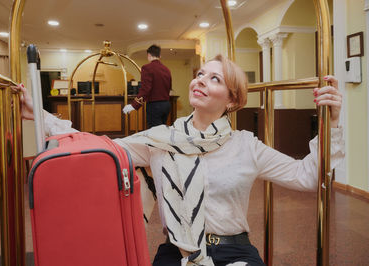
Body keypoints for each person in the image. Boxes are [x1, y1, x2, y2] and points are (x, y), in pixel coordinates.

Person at [19, 54, 344, 266]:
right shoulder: (159, 140)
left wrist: (333, 122)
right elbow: (98, 149)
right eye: (200, 73)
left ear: (232, 100)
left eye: (215, 78)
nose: (200, 79)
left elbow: (307, 176)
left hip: (235, 251)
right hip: (177, 252)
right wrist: (41, 116)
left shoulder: (246, 145)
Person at [122, 44, 172, 128]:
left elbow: (145, 89)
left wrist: (134, 105)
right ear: (160, 56)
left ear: (148, 55)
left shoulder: (147, 68)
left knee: (154, 133)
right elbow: (169, 87)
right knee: (162, 132)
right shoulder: (166, 69)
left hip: (154, 106)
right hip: (166, 104)